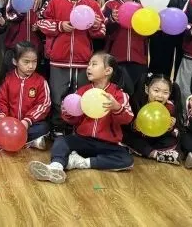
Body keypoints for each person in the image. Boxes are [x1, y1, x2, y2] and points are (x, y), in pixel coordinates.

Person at [28, 52, 134, 184]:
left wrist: (117, 107)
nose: (88, 68)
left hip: (107, 144)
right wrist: (68, 111)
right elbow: (73, 120)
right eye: (88, 64)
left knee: (126, 159)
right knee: (61, 141)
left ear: (108, 71)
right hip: (83, 140)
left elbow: (128, 119)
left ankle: (81, 162)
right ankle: (56, 167)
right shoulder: (82, 91)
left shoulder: (119, 94)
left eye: (94, 64)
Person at [37, 0, 105, 131]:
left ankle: (78, 128)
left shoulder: (92, 4)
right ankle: (58, 127)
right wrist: (60, 26)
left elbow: (102, 31)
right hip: (58, 59)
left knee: (81, 96)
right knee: (57, 97)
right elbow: (41, 23)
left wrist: (95, 26)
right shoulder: (54, 1)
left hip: (83, 61)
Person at [0, 42, 51, 150]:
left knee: (44, 127)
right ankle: (29, 142)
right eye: (26, 62)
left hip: (28, 124)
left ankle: (6, 142)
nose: (31, 66)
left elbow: (44, 104)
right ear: (15, 61)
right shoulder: (7, 79)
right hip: (9, 124)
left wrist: (27, 120)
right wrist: (1, 115)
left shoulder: (41, 81)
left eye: (34, 62)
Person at [102, 0, 146, 95]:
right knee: (117, 93)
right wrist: (112, 20)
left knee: (137, 95)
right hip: (115, 59)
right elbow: (101, 29)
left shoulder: (144, 7)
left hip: (139, 59)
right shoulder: (110, 5)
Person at [123, 75, 182, 165]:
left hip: (157, 139)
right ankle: (154, 154)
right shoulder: (137, 102)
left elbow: (170, 132)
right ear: (147, 89)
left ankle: (150, 152)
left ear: (169, 94)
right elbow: (126, 125)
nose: (160, 95)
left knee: (173, 139)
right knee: (128, 138)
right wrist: (134, 125)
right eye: (156, 91)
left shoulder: (170, 107)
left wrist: (170, 128)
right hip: (140, 137)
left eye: (165, 92)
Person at [4, 0, 45, 66]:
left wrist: (39, 25)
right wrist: (20, 13)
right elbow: (9, 16)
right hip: (16, 46)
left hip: (35, 46)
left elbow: (44, 16)